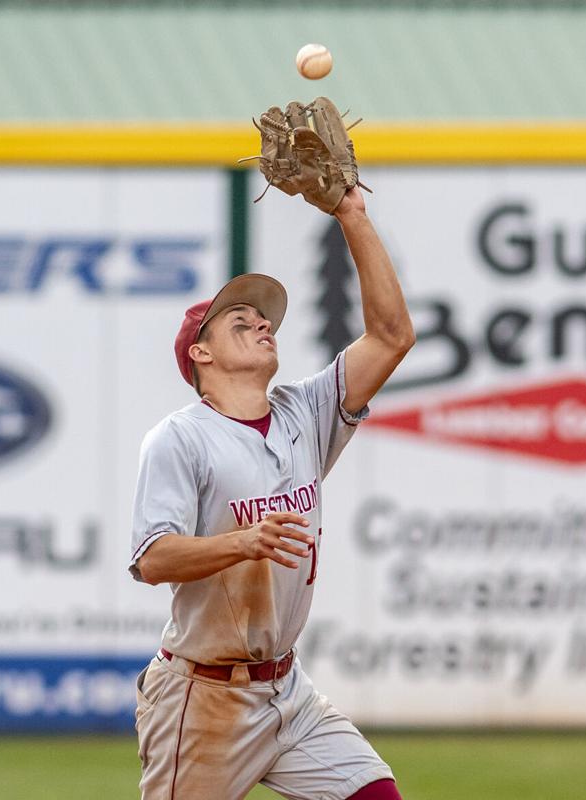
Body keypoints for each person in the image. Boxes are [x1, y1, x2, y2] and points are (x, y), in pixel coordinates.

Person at [129, 186, 414, 800]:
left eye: (265, 320)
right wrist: (242, 542)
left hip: (288, 690)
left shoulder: (304, 413)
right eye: (241, 320)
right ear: (199, 354)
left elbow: (391, 336)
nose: (262, 324)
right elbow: (152, 560)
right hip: (202, 697)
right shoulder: (180, 439)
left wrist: (352, 216)